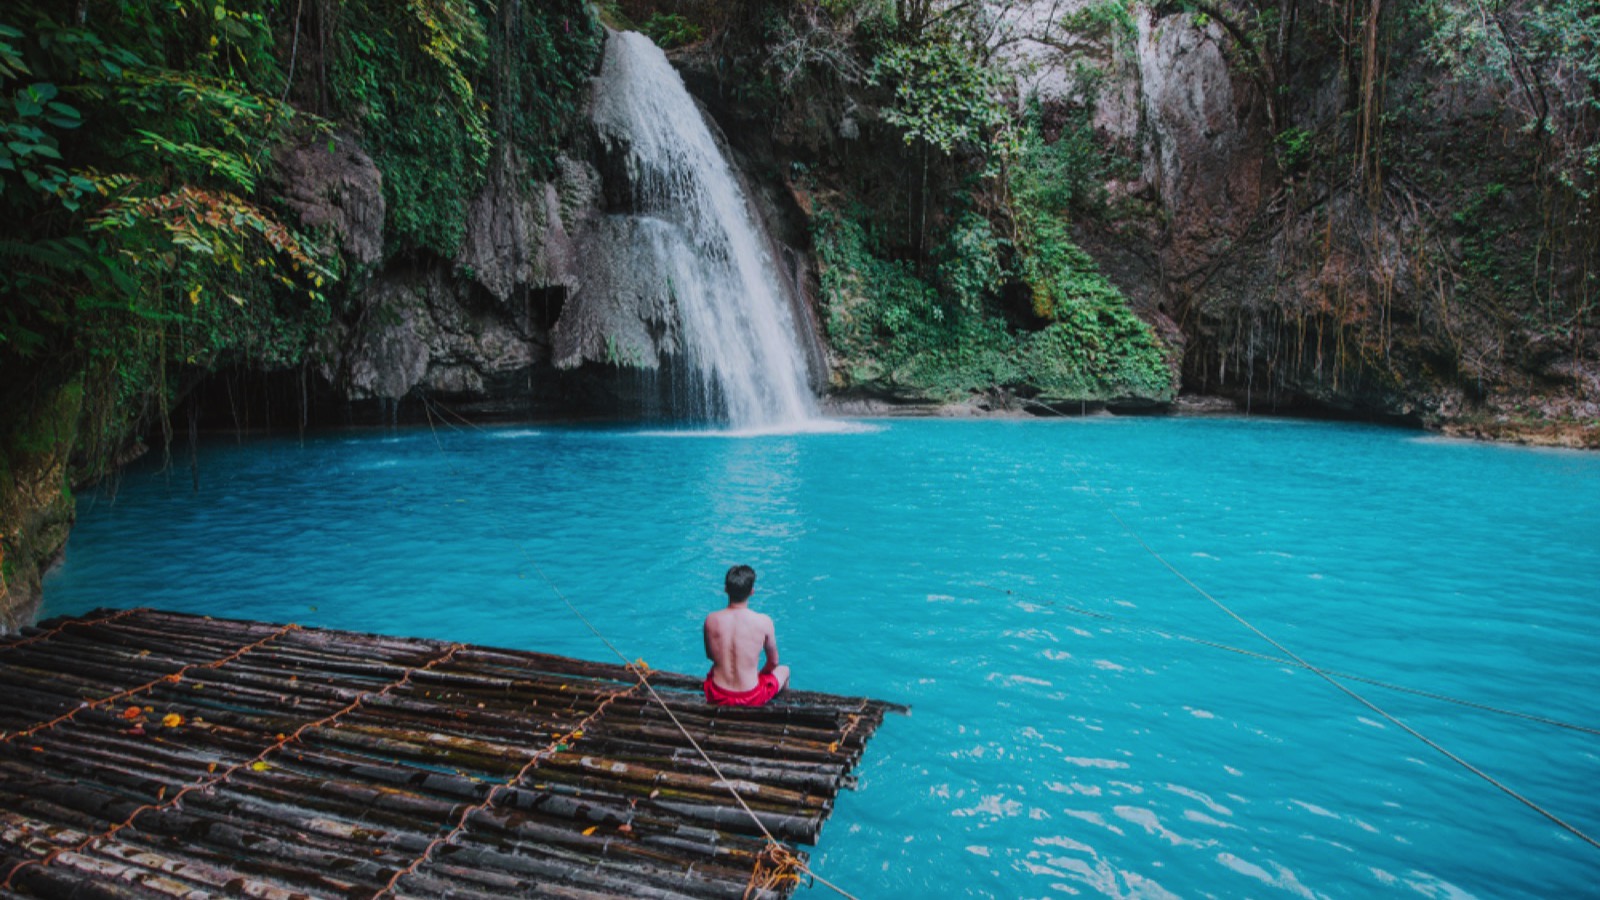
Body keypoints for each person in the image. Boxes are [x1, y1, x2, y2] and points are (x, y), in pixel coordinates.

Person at [702, 564, 790, 707]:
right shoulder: (764, 622)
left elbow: (711, 656)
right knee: (785, 670)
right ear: (752, 592)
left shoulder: (711, 620)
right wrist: (759, 675)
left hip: (717, 694)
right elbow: (773, 662)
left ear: (726, 590)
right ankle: (781, 709)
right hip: (751, 697)